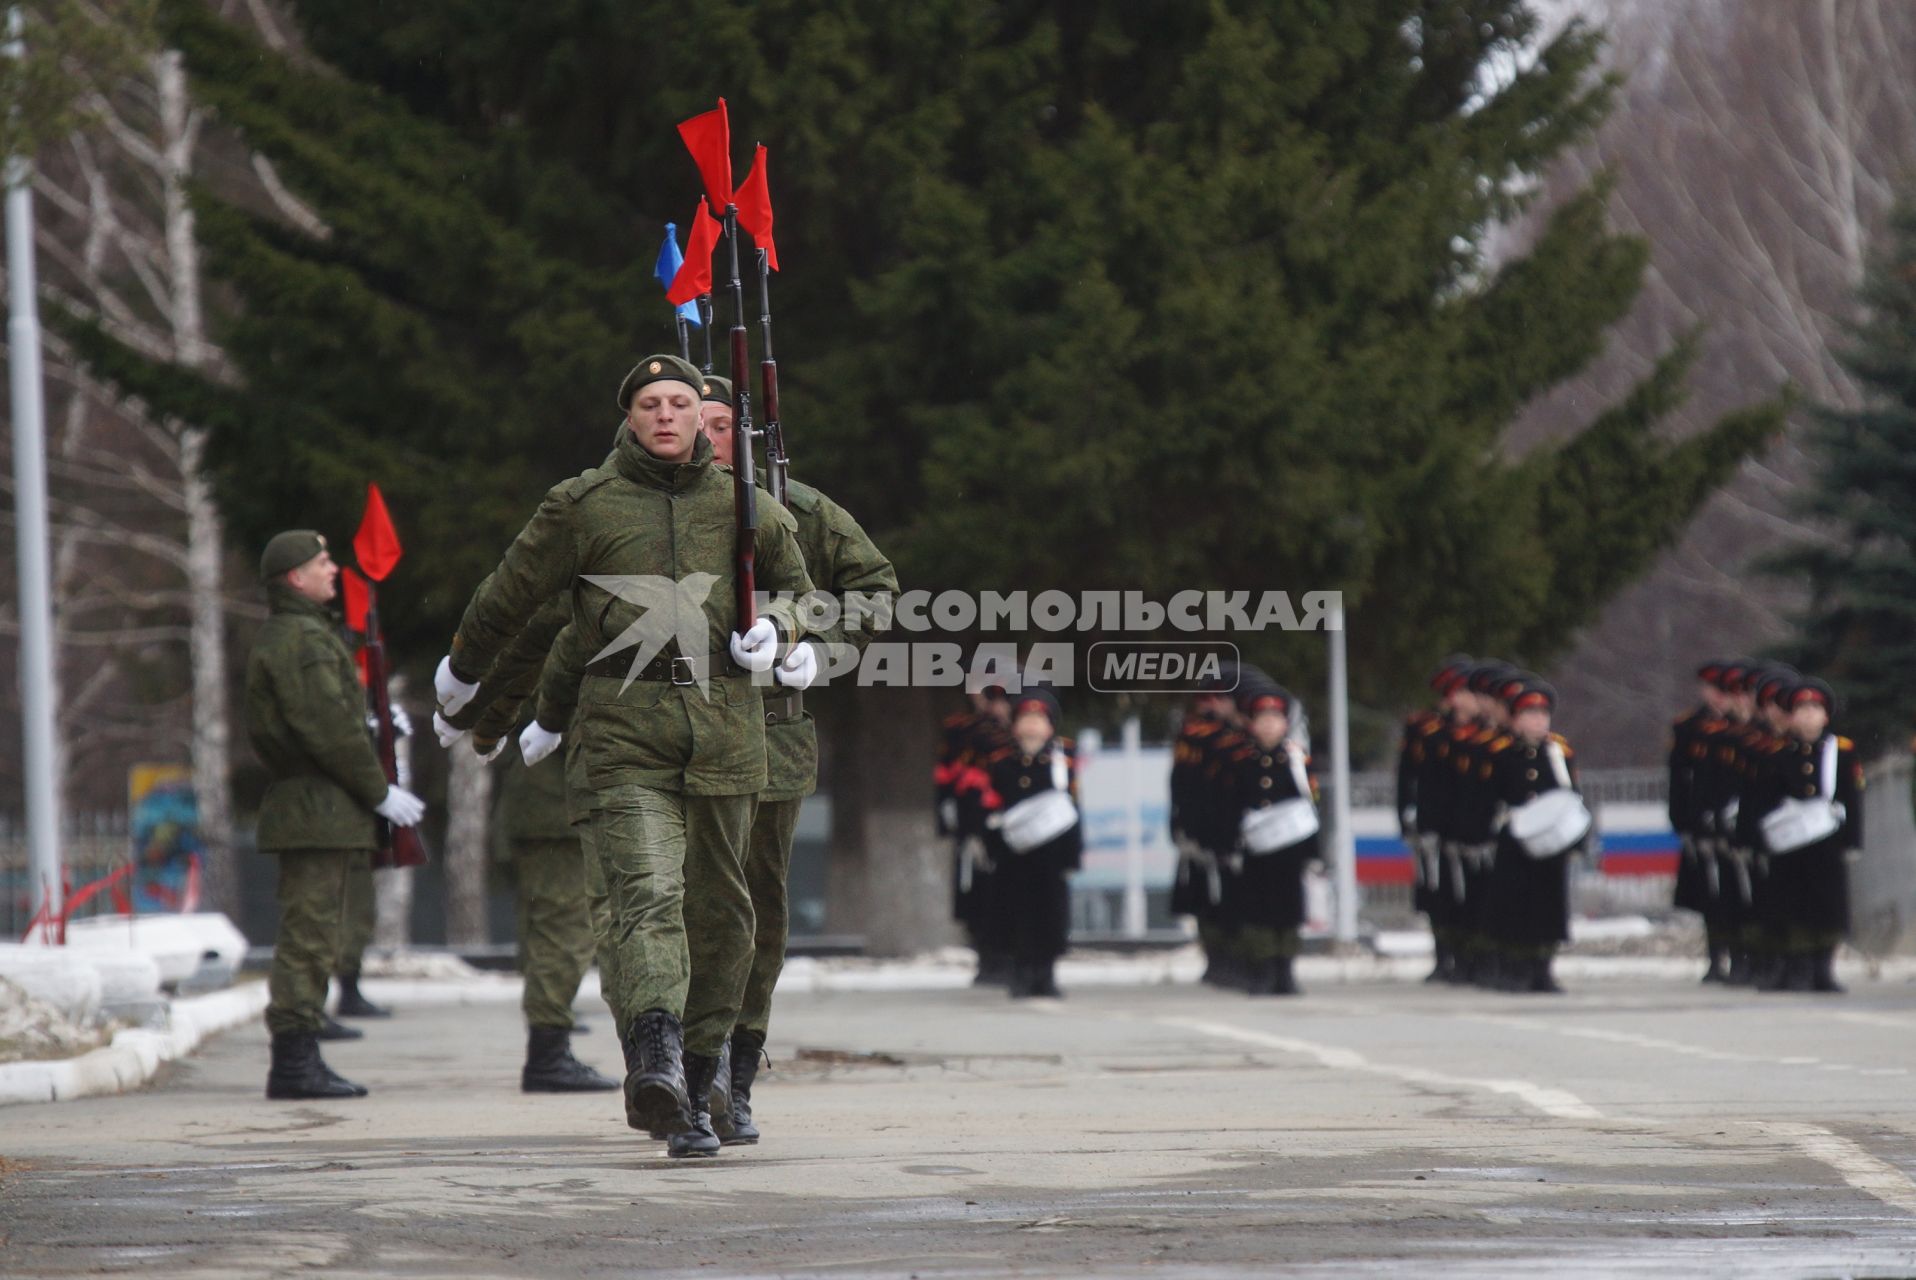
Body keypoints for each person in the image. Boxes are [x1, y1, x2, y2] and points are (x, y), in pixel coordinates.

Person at [434, 353, 815, 1155]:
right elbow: (513, 591)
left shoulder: (744, 505)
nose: (668, 415)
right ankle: (655, 1056)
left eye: (681, 401)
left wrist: (779, 632)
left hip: (726, 732)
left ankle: (701, 1086)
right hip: (625, 732)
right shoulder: (586, 504)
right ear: (630, 416)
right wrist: (463, 670)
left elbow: (799, 587)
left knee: (726, 920)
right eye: (651, 403)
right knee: (647, 896)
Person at [697, 373, 897, 1144]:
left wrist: (820, 651)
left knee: (759, 913)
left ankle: (735, 1073)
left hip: (772, 734)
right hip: (676, 736)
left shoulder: (798, 509)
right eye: (696, 422)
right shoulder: (652, 512)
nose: (708, 437)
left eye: (723, 425)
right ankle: (682, 1062)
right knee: (684, 909)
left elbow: (874, 587)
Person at [246, 530, 426, 1100]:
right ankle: (295, 1063)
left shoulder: (306, 635)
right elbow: (324, 731)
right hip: (316, 806)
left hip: (321, 805)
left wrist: (374, 726)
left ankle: (301, 1056)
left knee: (317, 934)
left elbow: (331, 719)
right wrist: (378, 791)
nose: (333, 569)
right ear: (294, 578)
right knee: (310, 936)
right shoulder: (302, 640)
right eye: (321, 562)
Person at [465, 635, 621, 1095]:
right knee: (565, 932)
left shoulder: (549, 630)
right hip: (555, 811)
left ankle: (551, 1037)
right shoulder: (574, 634)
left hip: (542, 805)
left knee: (550, 928)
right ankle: (548, 1054)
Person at [1749, 678, 1862, 994]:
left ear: (1826, 716)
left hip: (1827, 843)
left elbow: (1852, 799)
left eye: (1815, 709)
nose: (1809, 716)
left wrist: (1852, 841)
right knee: (1792, 904)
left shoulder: (1841, 751)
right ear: (1791, 716)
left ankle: (1822, 967)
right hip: (1790, 845)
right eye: (1802, 709)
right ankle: (1797, 967)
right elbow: (1761, 800)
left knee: (1827, 905)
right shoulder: (1778, 753)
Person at [976, 687, 1081, 999]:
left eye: (1039, 719)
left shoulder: (1064, 760)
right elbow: (991, 808)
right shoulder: (1001, 761)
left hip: (1052, 855)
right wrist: (990, 845)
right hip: (1014, 856)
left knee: (1051, 914)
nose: (1032, 726)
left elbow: (1074, 810)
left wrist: (1072, 855)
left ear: (1050, 726)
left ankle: (1046, 973)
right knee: (1016, 913)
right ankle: (1021, 973)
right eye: (1026, 719)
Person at [1485, 679, 1586, 994]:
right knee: (1514, 904)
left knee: (1549, 903)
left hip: (1550, 841)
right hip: (1514, 839)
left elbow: (1571, 797)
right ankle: (1516, 968)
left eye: (1543, 714)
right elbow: (1487, 797)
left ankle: (1543, 969)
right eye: (1530, 714)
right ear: (1515, 719)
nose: (1539, 721)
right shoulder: (1500, 752)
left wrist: (1577, 840)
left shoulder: (1558, 752)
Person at [1222, 679, 1320, 996]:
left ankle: (1285, 971)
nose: (1268, 726)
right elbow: (1231, 803)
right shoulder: (1240, 759)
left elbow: (1308, 806)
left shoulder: (1295, 760)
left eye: (1274, 720)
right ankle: (1261, 971)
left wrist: (1312, 853)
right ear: (1252, 724)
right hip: (1256, 849)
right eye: (1262, 720)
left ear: (1285, 724)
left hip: (1289, 850)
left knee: (1289, 908)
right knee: (1257, 909)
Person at [1170, 666, 1242, 986]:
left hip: (1240, 826)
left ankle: (1244, 957)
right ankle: (1217, 958)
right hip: (1202, 823)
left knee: (1239, 895)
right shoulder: (1195, 735)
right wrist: (1180, 824)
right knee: (1205, 895)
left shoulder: (1246, 733)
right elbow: (1181, 782)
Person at [1402, 656, 1471, 983]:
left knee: (1467, 893)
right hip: (1433, 822)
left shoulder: (1478, 733)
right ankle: (1443, 955)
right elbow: (1408, 776)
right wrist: (1406, 819)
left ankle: (1468, 955)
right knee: (1437, 892)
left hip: (1467, 823)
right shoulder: (1424, 728)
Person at [939, 685, 1014, 984]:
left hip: (1010, 824)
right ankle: (987, 958)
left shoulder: (1017, 732)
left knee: (1009, 895)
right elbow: (947, 777)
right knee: (976, 894)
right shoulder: (962, 731)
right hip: (973, 824)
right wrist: (952, 821)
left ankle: (1010, 956)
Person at [1669, 661, 1730, 980]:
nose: (1720, 698)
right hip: (1701, 820)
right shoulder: (1689, 727)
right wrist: (1681, 821)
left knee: (1738, 891)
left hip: (1734, 819)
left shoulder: (1742, 729)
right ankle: (1716, 956)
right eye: (1714, 690)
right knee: (1710, 892)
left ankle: (1742, 953)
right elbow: (1680, 779)